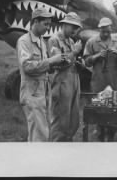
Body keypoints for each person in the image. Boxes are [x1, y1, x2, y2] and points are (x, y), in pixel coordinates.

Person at [16, 7, 64, 142]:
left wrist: (54, 65)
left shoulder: (42, 41)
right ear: (35, 21)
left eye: (49, 24)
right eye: (46, 24)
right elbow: (27, 66)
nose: (48, 28)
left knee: (40, 132)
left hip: (42, 93)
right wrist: (51, 61)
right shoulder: (24, 41)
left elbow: (42, 66)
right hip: (31, 93)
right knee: (39, 134)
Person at [83, 17, 117, 141]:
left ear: (111, 29)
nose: (106, 34)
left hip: (114, 81)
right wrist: (96, 56)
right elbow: (86, 62)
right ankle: (100, 134)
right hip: (98, 81)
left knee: (115, 108)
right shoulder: (91, 42)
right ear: (99, 29)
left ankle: (111, 134)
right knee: (99, 108)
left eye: (108, 31)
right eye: (103, 31)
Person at [48, 12, 83, 142]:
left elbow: (70, 61)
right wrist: (74, 52)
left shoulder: (71, 41)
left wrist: (79, 63)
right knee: (60, 122)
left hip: (73, 82)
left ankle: (67, 147)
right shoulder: (54, 40)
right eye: (73, 26)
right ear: (64, 24)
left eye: (77, 27)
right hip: (62, 83)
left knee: (73, 121)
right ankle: (56, 150)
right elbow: (58, 63)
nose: (75, 29)